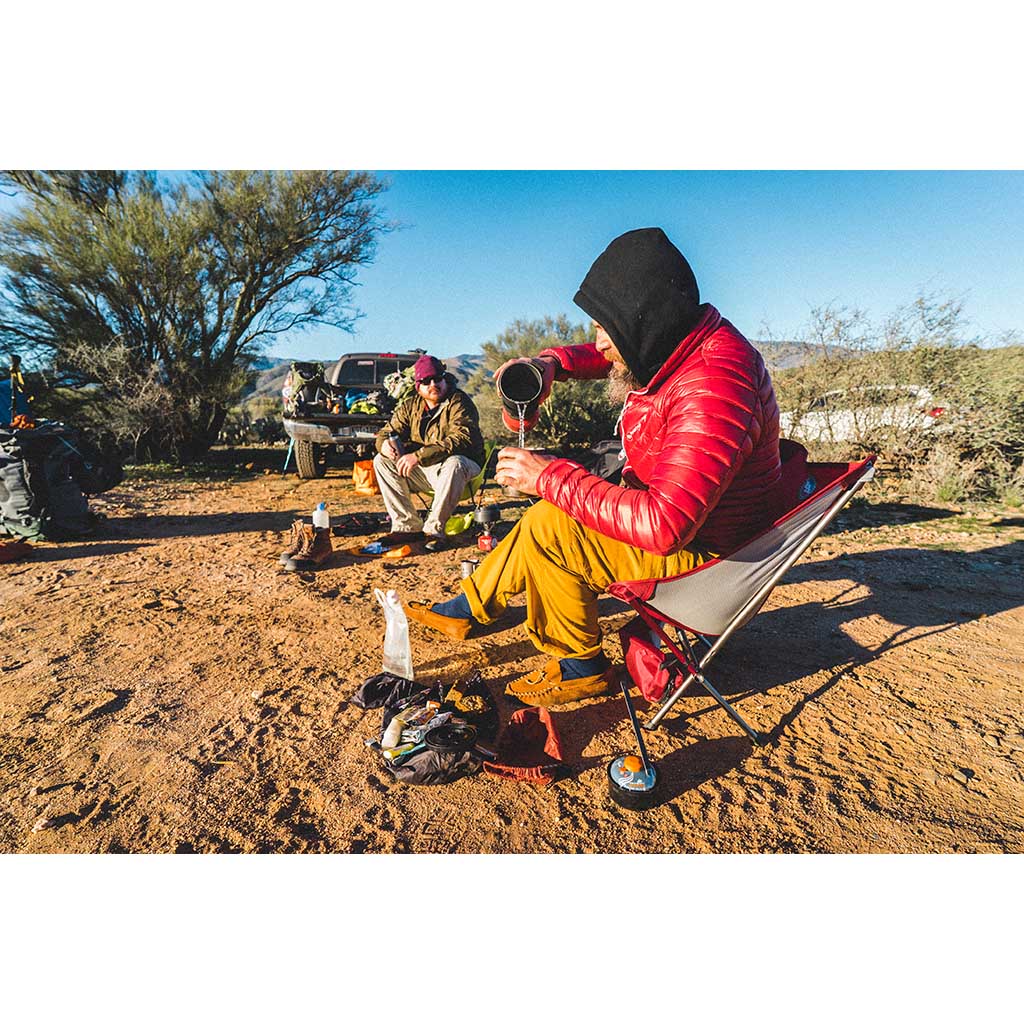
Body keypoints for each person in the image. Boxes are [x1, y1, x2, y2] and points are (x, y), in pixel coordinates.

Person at [405, 227, 789, 706]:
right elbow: (616, 356)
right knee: (551, 516)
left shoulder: (712, 385)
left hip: (711, 560)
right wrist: (552, 364)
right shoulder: (683, 342)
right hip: (705, 533)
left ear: (643, 320)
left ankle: (578, 666)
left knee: (550, 525)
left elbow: (665, 526)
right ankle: (470, 607)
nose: (600, 342)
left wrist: (547, 476)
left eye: (607, 328)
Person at [373, 354, 485, 552]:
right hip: (427, 470)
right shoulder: (410, 406)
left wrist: (418, 456)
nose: (433, 384)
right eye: (426, 381)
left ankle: (434, 531)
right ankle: (406, 527)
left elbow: (461, 438)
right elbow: (386, 432)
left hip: (463, 469)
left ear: (444, 379)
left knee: (455, 463)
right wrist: (384, 446)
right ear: (418, 386)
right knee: (381, 461)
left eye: (437, 379)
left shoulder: (459, 402)